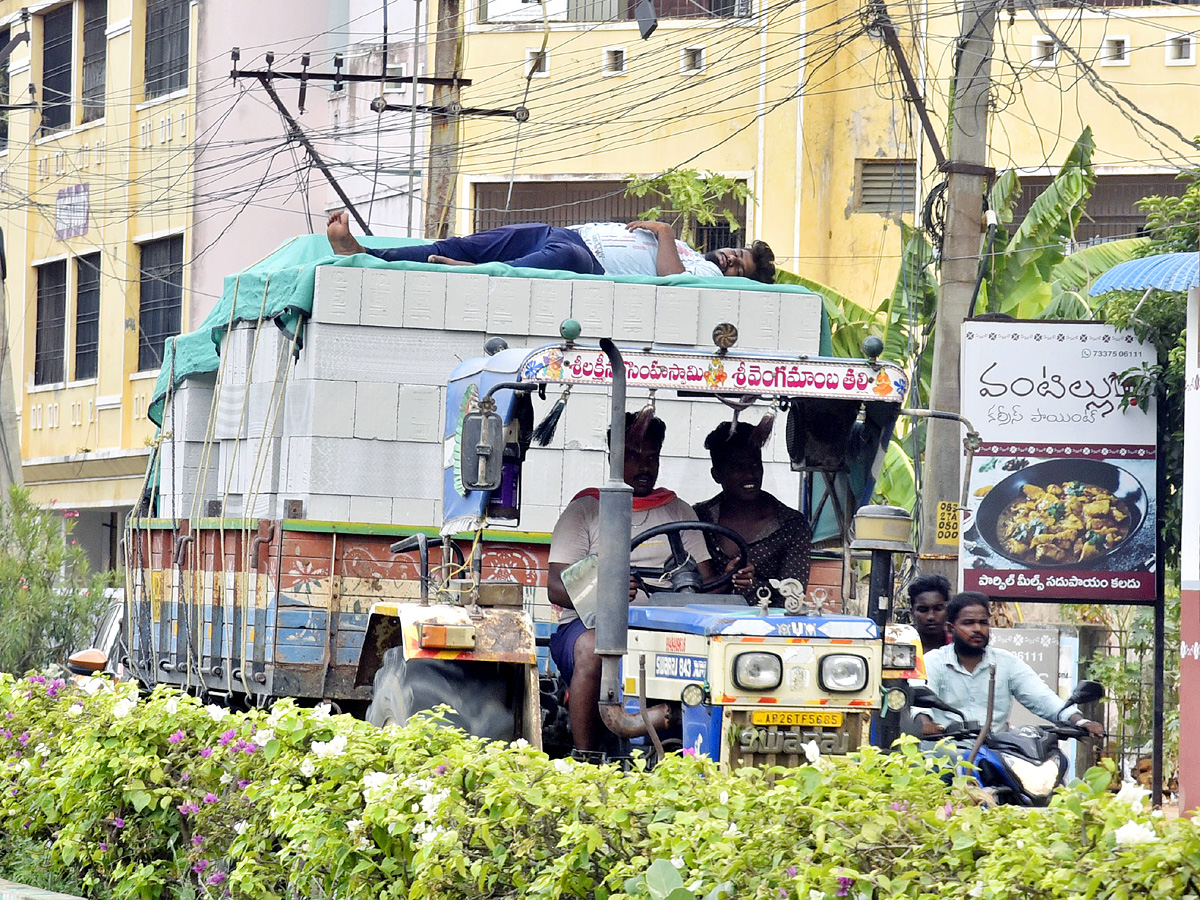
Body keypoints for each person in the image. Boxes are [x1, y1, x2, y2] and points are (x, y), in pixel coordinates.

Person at [546, 411, 753, 754]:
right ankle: (586, 757)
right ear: (613, 457)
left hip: (664, 626)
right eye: (633, 457)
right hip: (591, 625)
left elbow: (703, 584)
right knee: (593, 649)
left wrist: (734, 579)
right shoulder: (585, 510)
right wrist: (606, 595)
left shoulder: (677, 510)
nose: (644, 466)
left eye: (651, 457)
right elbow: (555, 586)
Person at [325, 212, 776, 283]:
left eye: (740, 266)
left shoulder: (705, 276)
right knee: (461, 241)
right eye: (737, 252)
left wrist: (661, 231)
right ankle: (363, 253)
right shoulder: (696, 252)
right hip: (565, 233)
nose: (731, 258)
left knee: (510, 269)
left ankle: (459, 266)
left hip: (584, 259)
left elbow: (668, 279)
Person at [914, 592, 1105, 739]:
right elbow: (919, 702)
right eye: (968, 623)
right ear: (950, 628)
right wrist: (924, 723)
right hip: (946, 750)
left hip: (996, 750)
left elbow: (1043, 698)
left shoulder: (1006, 662)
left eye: (983, 623)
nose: (977, 629)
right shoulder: (933, 662)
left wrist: (1080, 721)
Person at [692, 419, 811, 605]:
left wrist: (752, 586)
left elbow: (793, 596)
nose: (750, 474)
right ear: (716, 475)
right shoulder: (697, 518)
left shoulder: (791, 525)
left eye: (755, 465)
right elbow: (685, 588)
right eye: (738, 467)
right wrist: (726, 579)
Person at [907, 573, 951, 655]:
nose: (931, 617)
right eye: (923, 610)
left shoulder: (957, 646)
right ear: (912, 612)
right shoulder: (900, 645)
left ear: (947, 610)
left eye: (938, 609)